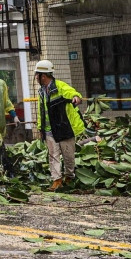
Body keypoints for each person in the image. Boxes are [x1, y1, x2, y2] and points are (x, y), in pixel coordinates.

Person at [34, 60, 84, 190]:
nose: (35, 77)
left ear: (43, 76)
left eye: (36, 75)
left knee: (68, 156)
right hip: (49, 129)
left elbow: (72, 92)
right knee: (53, 155)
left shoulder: (60, 86)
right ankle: (56, 180)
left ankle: (69, 177)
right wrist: (40, 127)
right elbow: (42, 111)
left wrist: (76, 97)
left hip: (64, 128)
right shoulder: (41, 92)